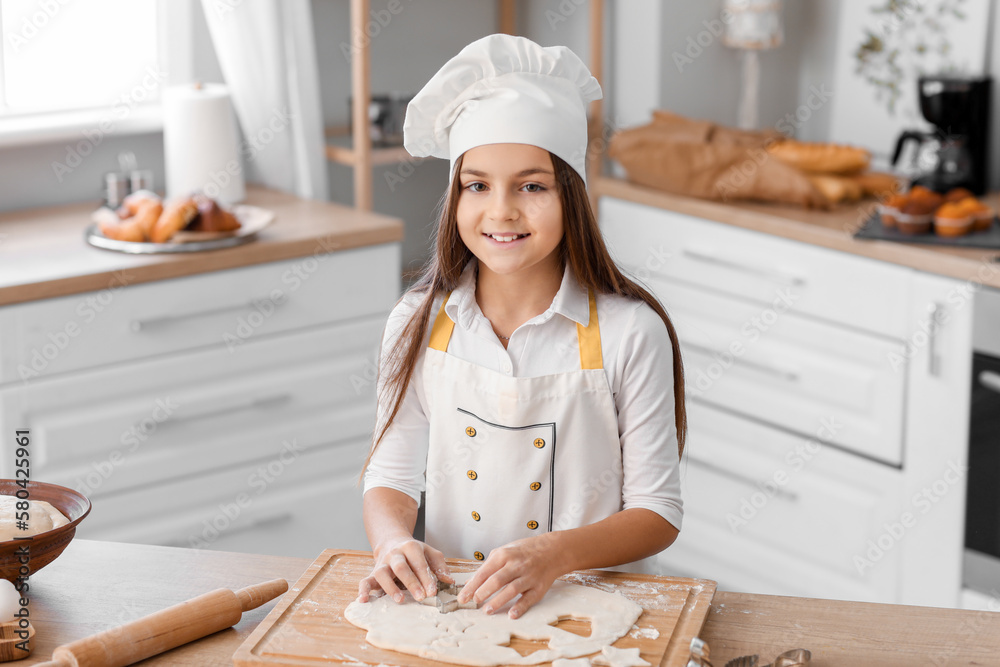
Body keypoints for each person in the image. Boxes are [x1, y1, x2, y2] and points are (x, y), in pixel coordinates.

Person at [356, 33, 686, 620]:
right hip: (460, 612)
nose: (501, 210)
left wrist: (553, 555)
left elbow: (656, 513)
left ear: (573, 198)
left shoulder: (631, 332)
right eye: (477, 185)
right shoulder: (418, 321)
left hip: (593, 611)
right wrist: (392, 543)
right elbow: (391, 472)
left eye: (532, 186)